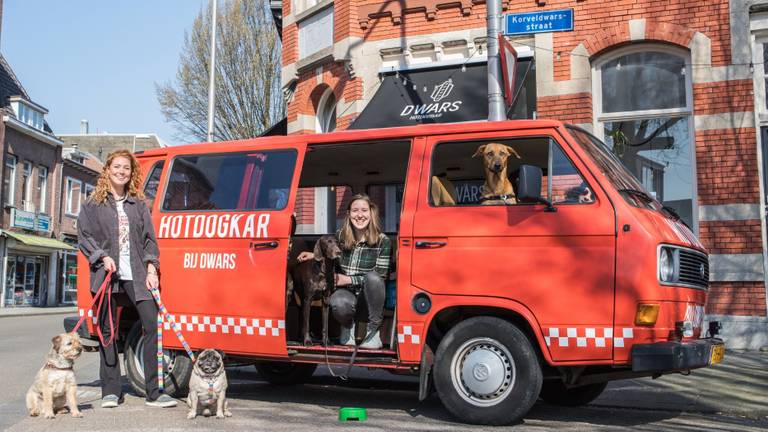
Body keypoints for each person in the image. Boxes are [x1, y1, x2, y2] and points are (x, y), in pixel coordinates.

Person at [77, 149, 177, 409]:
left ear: (131, 174)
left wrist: (152, 268)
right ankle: (111, 391)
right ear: (107, 169)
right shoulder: (92, 203)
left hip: (136, 274)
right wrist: (101, 257)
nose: (121, 172)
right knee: (107, 332)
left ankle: (154, 391)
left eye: (126, 168)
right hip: (106, 274)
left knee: (152, 325)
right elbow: (84, 236)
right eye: (117, 167)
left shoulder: (138, 203)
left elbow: (148, 240)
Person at [297, 193, 390, 349]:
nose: (359, 215)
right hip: (347, 294)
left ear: (371, 213)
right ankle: (348, 328)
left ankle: (373, 332)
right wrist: (314, 255)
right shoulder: (340, 236)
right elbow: (331, 250)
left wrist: (349, 279)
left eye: (364, 210)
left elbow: (381, 277)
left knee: (374, 278)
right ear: (348, 214)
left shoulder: (383, 241)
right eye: (355, 211)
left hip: (370, 297)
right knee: (338, 301)